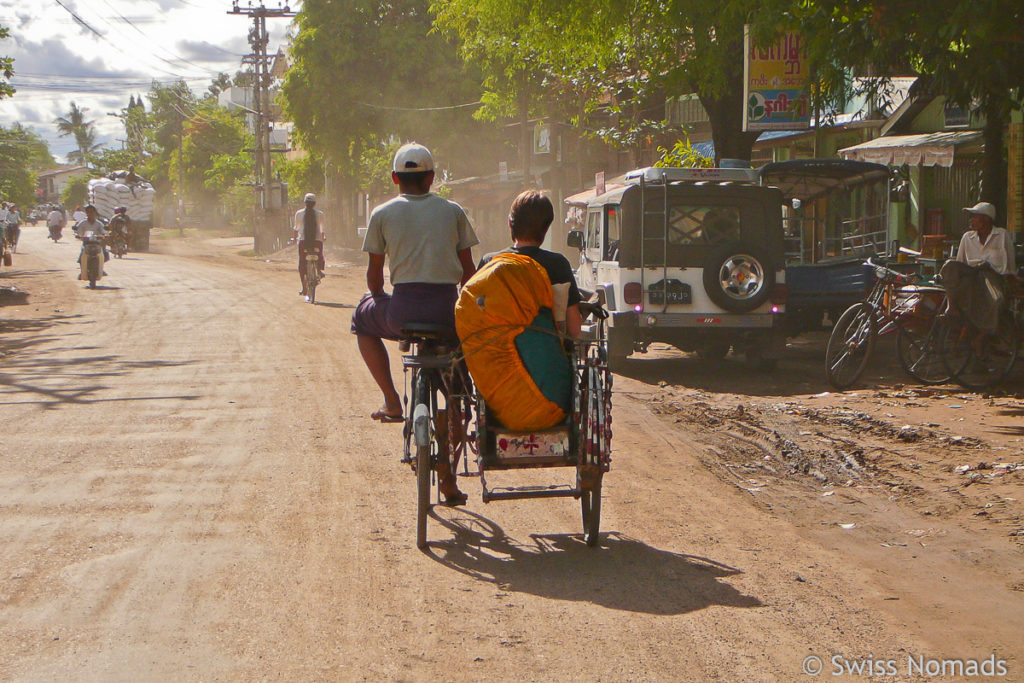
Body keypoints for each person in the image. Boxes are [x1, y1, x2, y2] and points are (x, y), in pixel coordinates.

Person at [350, 142, 478, 502]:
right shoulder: (453, 211)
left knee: (361, 319)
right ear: (432, 178)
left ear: (395, 179)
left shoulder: (382, 214)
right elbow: (468, 273)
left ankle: (392, 400)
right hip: (446, 314)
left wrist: (382, 299)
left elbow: (374, 281)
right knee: (457, 398)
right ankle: (449, 481)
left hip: (402, 313)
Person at [479, 190, 584, 338]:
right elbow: (574, 329)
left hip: (499, 356)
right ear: (546, 228)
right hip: (548, 357)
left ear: (510, 222)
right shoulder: (558, 264)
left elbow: (477, 319)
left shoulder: (489, 262)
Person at [293, 193, 325, 298]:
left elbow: (296, 229)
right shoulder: (320, 214)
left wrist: (294, 239)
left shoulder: (299, 213)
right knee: (319, 255)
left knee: (302, 263)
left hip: (303, 242)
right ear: (315, 203)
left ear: (305, 203)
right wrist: (322, 238)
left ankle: (304, 288)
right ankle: (319, 270)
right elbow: (321, 230)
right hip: (317, 242)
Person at [73, 204, 109, 278]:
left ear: (94, 213)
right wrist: (79, 235)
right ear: (86, 213)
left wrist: (104, 235)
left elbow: (103, 231)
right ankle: (82, 271)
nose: (90, 214)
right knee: (81, 257)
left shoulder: (98, 223)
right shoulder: (83, 223)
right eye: (88, 212)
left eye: (92, 212)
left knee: (104, 254)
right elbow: (78, 231)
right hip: (86, 243)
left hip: (97, 243)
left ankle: (100, 269)